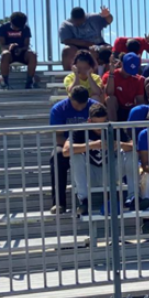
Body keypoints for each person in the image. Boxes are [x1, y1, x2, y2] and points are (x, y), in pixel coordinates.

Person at [63, 103, 145, 216]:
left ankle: (133, 197)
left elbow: (135, 147)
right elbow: (65, 151)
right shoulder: (80, 129)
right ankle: (84, 201)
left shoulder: (114, 128)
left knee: (131, 153)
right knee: (75, 155)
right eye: (96, 123)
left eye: (103, 122)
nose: (100, 127)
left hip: (112, 172)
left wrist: (119, 144)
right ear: (89, 121)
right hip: (89, 174)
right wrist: (92, 145)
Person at [49, 86, 100, 214]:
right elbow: (58, 136)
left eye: (83, 105)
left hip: (92, 144)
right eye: (77, 105)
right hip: (68, 144)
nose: (80, 108)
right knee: (57, 157)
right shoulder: (59, 109)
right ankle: (59, 203)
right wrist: (74, 146)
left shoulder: (95, 107)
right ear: (70, 98)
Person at [59, 6, 113, 71]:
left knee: (109, 49)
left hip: (98, 45)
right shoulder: (66, 25)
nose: (78, 23)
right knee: (67, 50)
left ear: (84, 17)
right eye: (76, 21)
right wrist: (86, 44)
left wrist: (107, 15)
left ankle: (108, 75)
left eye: (80, 21)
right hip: (79, 48)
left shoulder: (93, 18)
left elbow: (109, 21)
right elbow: (66, 40)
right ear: (72, 19)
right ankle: (68, 75)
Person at [0, 12, 38, 89]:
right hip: (9, 53)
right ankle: (5, 82)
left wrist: (21, 49)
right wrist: (9, 46)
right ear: (11, 22)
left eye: (19, 27)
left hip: (22, 52)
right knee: (5, 54)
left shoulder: (26, 28)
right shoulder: (2, 28)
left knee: (32, 54)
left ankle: (29, 82)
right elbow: (2, 45)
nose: (17, 29)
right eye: (15, 27)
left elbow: (26, 45)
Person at [102, 53, 146, 121]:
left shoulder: (139, 79)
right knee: (110, 99)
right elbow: (109, 93)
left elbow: (140, 101)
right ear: (121, 64)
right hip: (115, 110)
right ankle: (114, 129)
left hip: (130, 110)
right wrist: (111, 73)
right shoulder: (108, 75)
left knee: (141, 107)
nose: (129, 73)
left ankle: (135, 129)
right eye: (127, 69)